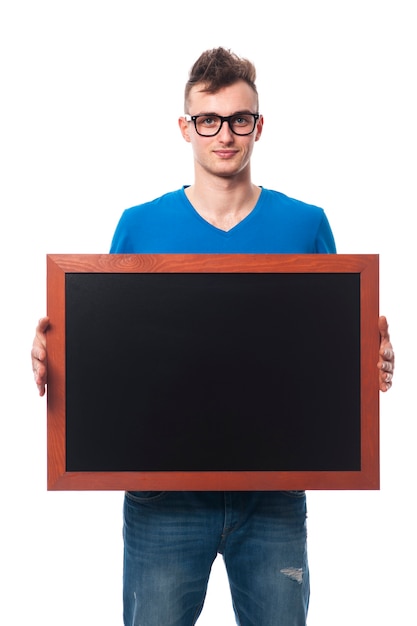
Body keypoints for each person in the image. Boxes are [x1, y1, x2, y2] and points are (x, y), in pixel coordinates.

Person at [31, 47, 395, 626]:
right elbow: (110, 350)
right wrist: (58, 353)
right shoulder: (140, 224)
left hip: (274, 493)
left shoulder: (306, 224)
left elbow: (332, 348)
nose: (224, 135)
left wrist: (371, 354)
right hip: (162, 498)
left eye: (239, 119)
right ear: (186, 127)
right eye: (209, 120)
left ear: (259, 126)